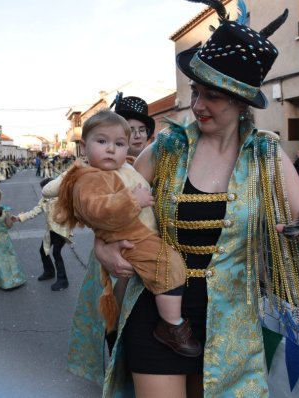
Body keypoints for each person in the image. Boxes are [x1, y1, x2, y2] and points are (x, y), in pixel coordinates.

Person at [67, 6, 299, 397]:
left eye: (213, 96)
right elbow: (109, 203)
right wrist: (103, 245)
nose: (197, 105)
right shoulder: (168, 147)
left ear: (242, 102)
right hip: (156, 312)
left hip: (228, 324)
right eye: (196, 91)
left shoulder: (266, 156)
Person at [55, 109, 199, 357]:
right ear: (84, 145)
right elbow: (98, 210)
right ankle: (165, 328)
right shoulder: (95, 175)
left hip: (147, 242)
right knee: (161, 272)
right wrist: (105, 241)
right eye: (102, 141)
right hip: (131, 249)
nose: (112, 149)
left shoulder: (132, 165)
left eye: (120, 142)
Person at [13, 178, 74, 292]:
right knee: (43, 250)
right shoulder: (44, 199)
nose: (44, 192)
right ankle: (49, 272)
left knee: (56, 252)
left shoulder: (63, 198)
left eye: (46, 190)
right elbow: (35, 211)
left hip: (61, 230)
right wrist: (19, 218)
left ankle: (63, 280)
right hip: (51, 230)